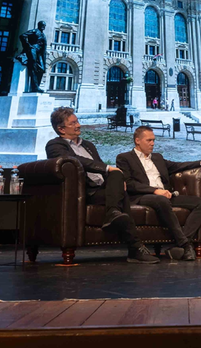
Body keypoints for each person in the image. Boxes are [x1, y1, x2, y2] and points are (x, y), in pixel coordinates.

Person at [45, 107, 159, 264]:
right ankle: (135, 247)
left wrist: (116, 180)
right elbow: (75, 160)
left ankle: (114, 215)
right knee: (119, 189)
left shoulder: (88, 145)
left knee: (117, 178)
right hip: (84, 191)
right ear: (61, 129)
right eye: (73, 123)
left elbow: (102, 170)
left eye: (77, 121)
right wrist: (108, 168)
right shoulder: (54, 145)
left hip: (103, 189)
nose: (78, 125)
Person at [116, 126, 201, 261]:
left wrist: (200, 162)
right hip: (142, 196)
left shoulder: (157, 157)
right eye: (149, 140)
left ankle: (179, 244)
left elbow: (177, 166)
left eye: (153, 140)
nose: (152, 143)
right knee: (161, 200)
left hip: (165, 195)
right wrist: (155, 191)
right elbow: (129, 183)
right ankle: (185, 244)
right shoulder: (125, 158)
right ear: (137, 141)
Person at [16, 21, 48, 93]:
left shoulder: (43, 35)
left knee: (42, 69)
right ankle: (35, 87)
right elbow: (22, 36)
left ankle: (37, 86)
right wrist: (28, 45)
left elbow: (44, 47)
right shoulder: (34, 31)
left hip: (39, 53)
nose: (43, 27)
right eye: (42, 25)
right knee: (33, 67)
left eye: (44, 25)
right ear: (39, 25)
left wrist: (44, 58)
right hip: (33, 50)